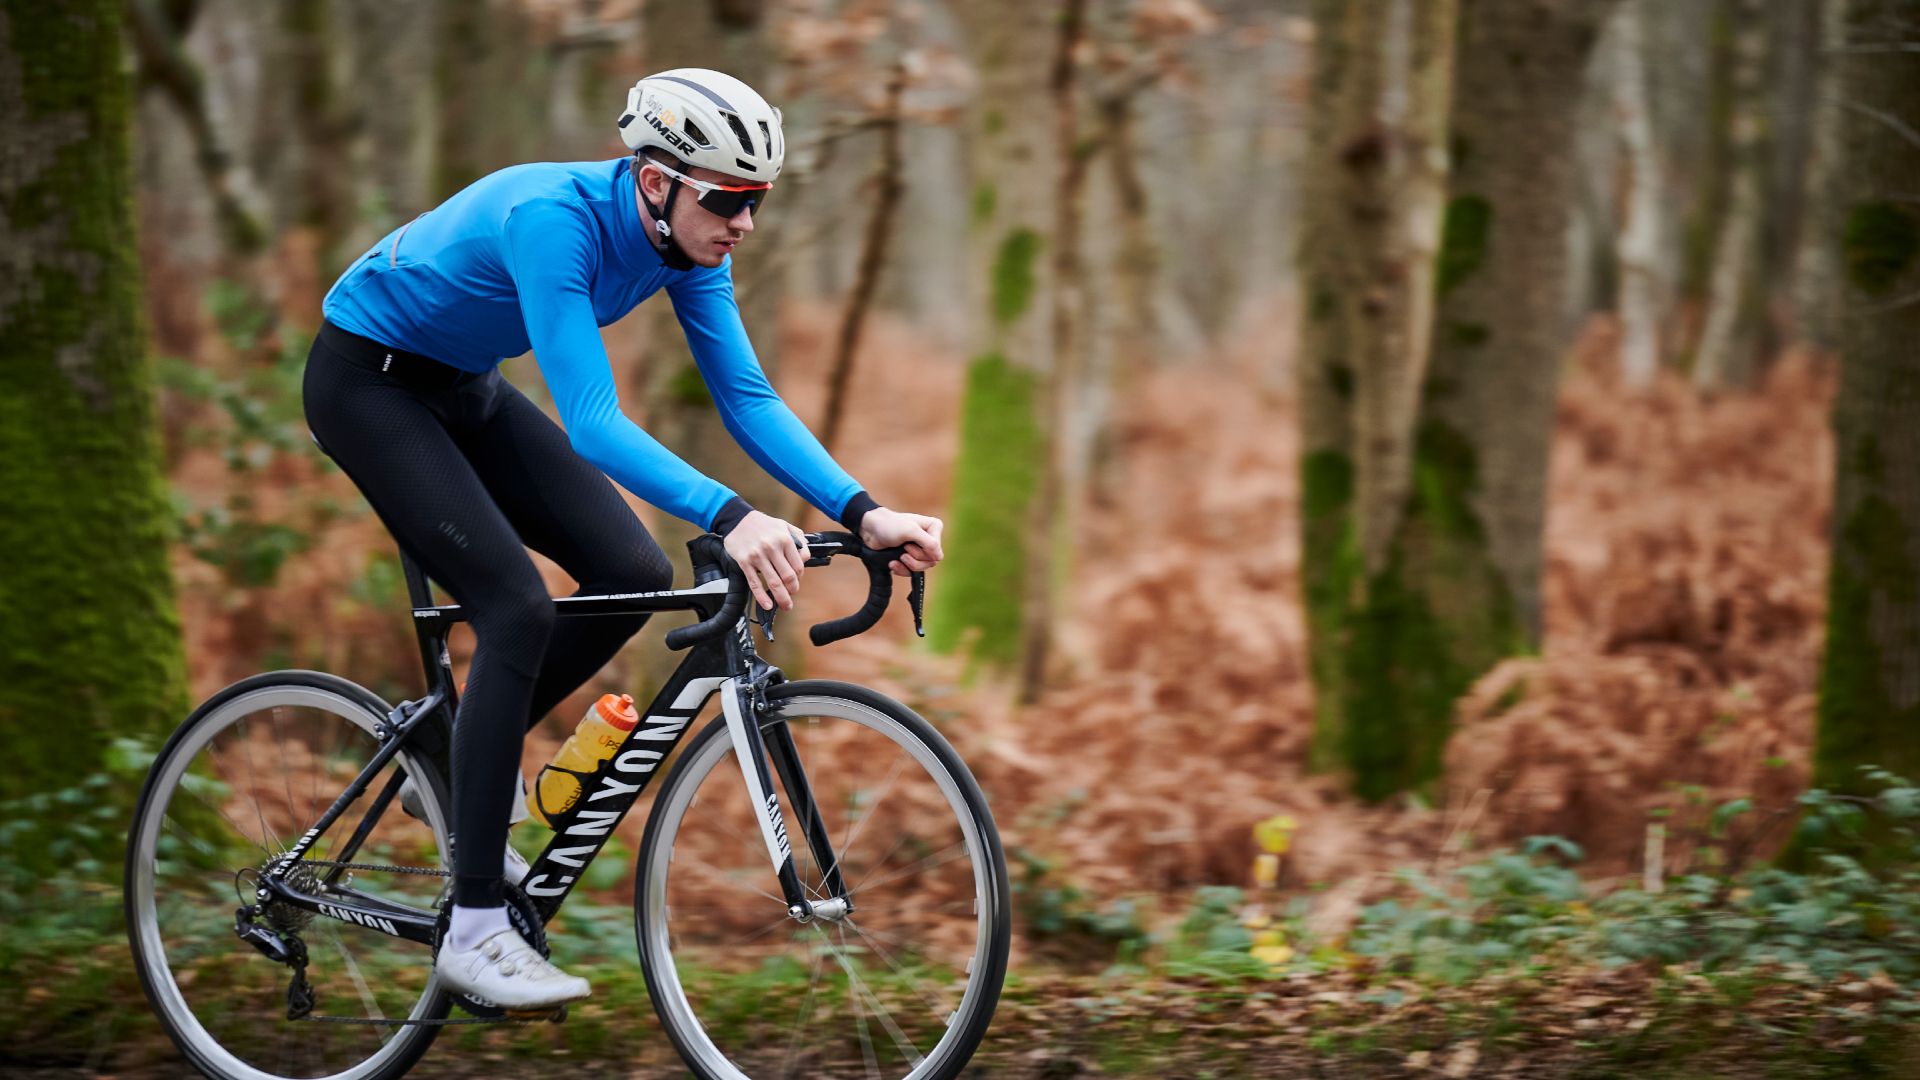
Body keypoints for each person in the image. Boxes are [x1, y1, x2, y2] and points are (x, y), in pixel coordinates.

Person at [302, 68, 944, 1011]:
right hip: (368, 384)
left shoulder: (691, 246)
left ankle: (449, 759)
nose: (744, 222)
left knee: (631, 571)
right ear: (655, 180)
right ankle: (473, 930)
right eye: (727, 199)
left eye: (758, 200)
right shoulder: (553, 221)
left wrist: (862, 511)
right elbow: (595, 423)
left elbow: (747, 398)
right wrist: (732, 515)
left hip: (465, 385)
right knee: (515, 607)